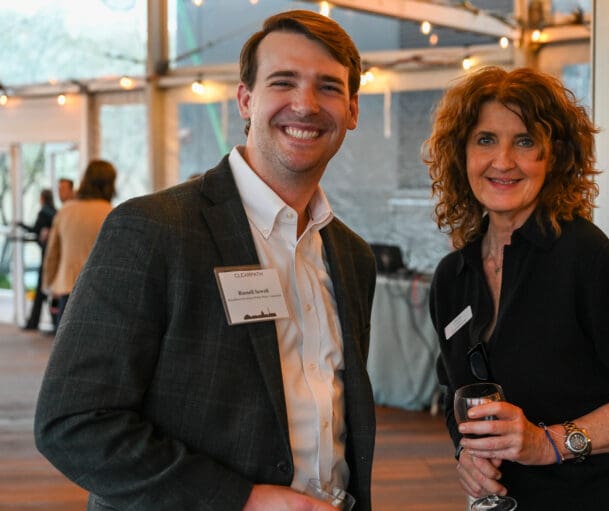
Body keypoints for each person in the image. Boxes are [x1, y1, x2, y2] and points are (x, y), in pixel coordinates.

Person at [34, 10, 377, 511]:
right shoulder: (154, 229)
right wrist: (242, 501)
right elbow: (72, 422)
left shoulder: (353, 258)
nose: (305, 104)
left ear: (352, 110)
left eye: (328, 87)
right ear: (246, 99)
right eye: (283, 82)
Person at [423, 66, 609, 510]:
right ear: (461, 155)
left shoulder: (591, 262)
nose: (503, 161)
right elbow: (454, 391)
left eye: (525, 142)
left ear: (554, 158)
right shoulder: (451, 279)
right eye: (485, 140)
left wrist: (548, 442)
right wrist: (466, 453)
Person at [42, 160, 117, 332]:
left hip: (68, 289)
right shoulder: (111, 212)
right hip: (101, 292)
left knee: (64, 344)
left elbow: (53, 253)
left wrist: (49, 284)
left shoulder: (65, 211)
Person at [17, 188, 57, 331]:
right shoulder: (55, 211)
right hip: (55, 255)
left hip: (47, 256)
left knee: (42, 290)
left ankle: (37, 323)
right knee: (49, 291)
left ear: (42, 198)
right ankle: (54, 322)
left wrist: (21, 225)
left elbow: (35, 229)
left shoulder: (43, 212)